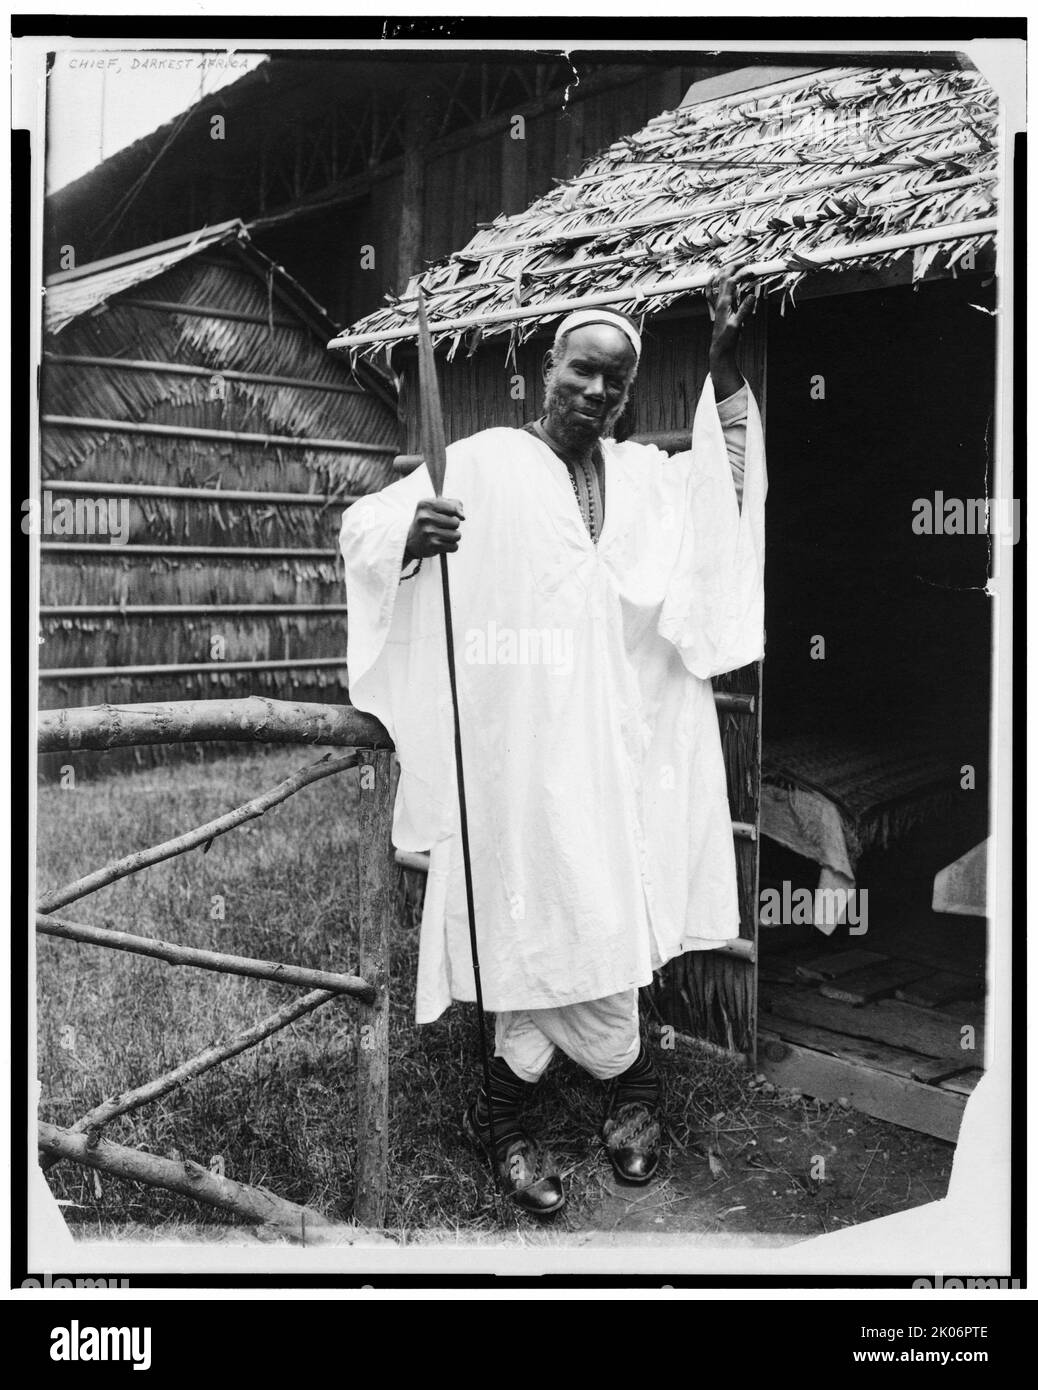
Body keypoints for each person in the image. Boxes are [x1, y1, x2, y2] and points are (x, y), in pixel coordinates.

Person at [339, 272, 765, 1215]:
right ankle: (509, 1124)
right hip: (518, 757)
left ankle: (630, 1097)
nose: (598, 393)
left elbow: (721, 490)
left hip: (612, 758)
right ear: (547, 370)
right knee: (526, 922)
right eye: (584, 372)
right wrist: (414, 528)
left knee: (608, 915)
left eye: (616, 382)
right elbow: (362, 527)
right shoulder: (485, 462)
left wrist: (724, 368)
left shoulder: (642, 481)